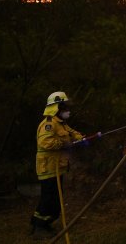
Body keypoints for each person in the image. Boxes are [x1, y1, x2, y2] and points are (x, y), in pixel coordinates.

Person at [29, 91, 87, 239]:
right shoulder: (49, 124)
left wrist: (81, 139)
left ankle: (42, 223)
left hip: (57, 168)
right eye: (65, 107)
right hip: (48, 167)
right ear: (57, 108)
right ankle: (38, 228)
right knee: (49, 199)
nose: (68, 111)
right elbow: (45, 142)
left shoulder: (61, 124)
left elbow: (73, 133)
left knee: (54, 200)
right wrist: (64, 144)